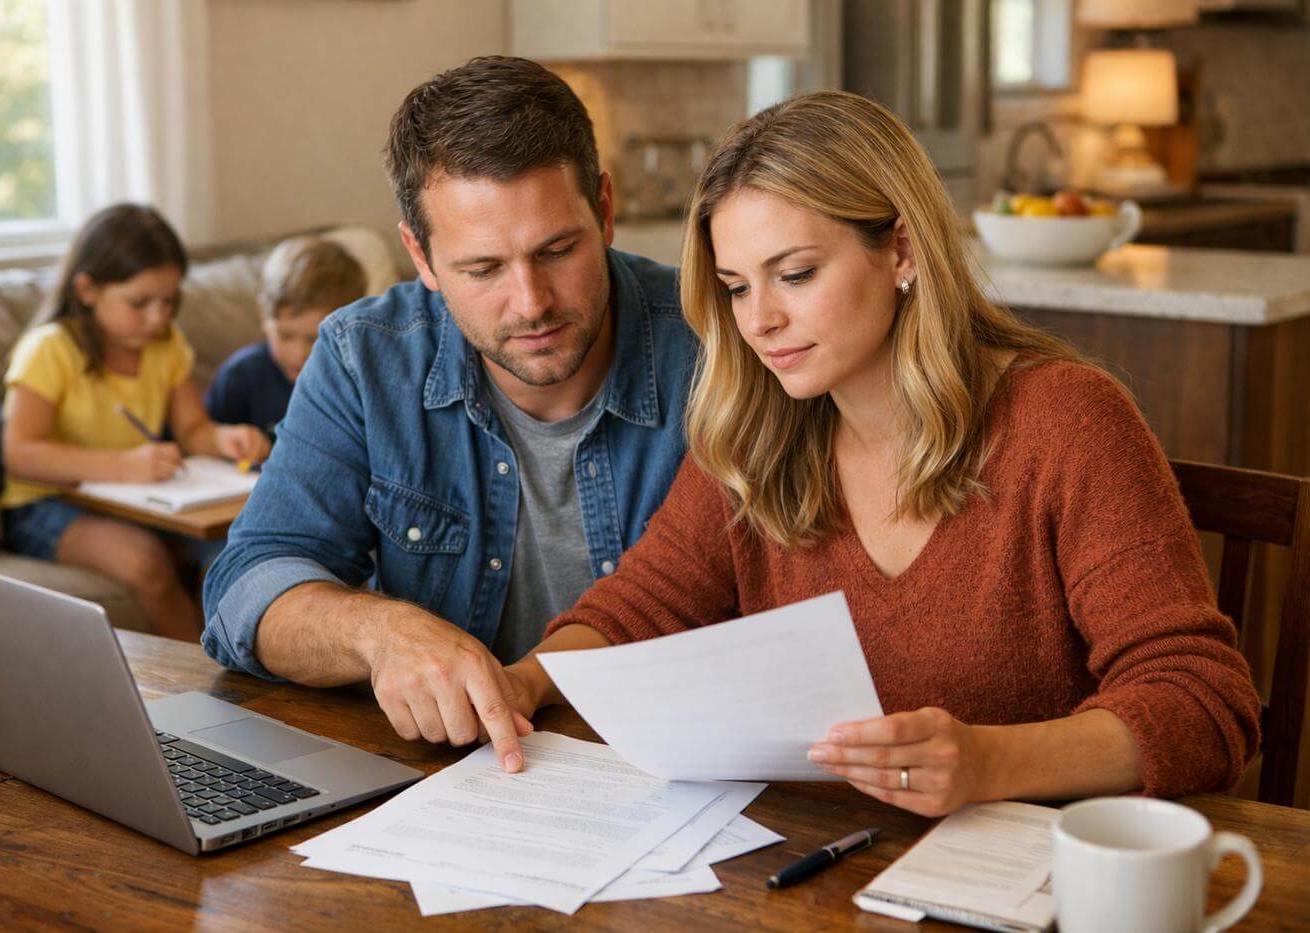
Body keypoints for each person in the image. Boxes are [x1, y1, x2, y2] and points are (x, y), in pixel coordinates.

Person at [499, 91, 1262, 815]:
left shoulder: (1065, 422)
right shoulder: (757, 431)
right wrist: (523, 681)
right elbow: (638, 610)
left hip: (1025, 874)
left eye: (795, 274)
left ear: (900, 248)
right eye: (735, 287)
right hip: (824, 867)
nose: (759, 321)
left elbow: (1201, 698)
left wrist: (990, 763)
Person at [201, 57, 698, 772]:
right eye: (483, 269)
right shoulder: (363, 357)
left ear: (606, 210)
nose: (531, 303)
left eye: (557, 250)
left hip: (674, 774)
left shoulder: (715, 344)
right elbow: (245, 586)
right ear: (421, 256)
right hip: (451, 784)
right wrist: (379, 632)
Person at [0, 204, 272, 640]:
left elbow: (194, 431)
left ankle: (240, 660)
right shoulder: (49, 349)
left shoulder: (165, 346)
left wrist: (225, 439)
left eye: (169, 301)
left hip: (135, 496)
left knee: (234, 547)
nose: (157, 318)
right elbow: (20, 455)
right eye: (139, 303)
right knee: (143, 559)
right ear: (87, 290)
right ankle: (204, 686)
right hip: (45, 503)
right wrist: (124, 466)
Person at [205, 236, 368, 438]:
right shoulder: (240, 376)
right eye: (285, 335)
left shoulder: (362, 380)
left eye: (314, 339)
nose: (299, 353)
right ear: (264, 317)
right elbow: (206, 439)